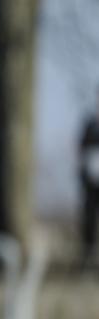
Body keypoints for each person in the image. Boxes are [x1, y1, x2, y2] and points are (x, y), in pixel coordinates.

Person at [79, 88, 99, 266]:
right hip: (91, 181)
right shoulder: (90, 124)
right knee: (89, 219)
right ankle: (88, 257)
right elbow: (82, 150)